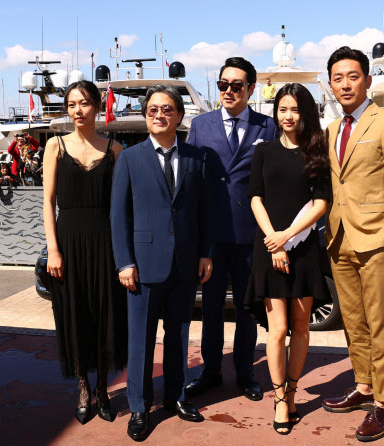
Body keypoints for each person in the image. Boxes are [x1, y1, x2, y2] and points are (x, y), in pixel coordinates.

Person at [321, 47, 384, 442]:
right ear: (330, 83)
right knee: (353, 322)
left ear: (367, 80)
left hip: (376, 242)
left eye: (353, 76)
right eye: (338, 78)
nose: (345, 84)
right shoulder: (331, 129)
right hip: (338, 239)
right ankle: (363, 386)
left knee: (380, 324)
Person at [110, 84, 214, 442]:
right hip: (142, 265)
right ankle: (139, 406)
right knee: (140, 340)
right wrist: (124, 262)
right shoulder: (129, 157)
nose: (159, 115)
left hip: (185, 265)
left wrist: (205, 252)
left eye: (167, 109)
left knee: (179, 336)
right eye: (153, 109)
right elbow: (118, 216)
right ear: (145, 115)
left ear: (179, 116)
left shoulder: (196, 158)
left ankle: (176, 396)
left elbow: (204, 213)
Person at [186, 57, 277, 401]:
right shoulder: (201, 125)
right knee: (210, 310)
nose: (228, 91)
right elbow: (192, 179)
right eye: (223, 84)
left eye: (236, 85)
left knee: (246, 310)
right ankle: (210, 371)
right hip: (211, 237)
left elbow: (272, 180)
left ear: (250, 89)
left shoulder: (266, 127)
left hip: (249, 236)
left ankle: (245, 372)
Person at [245, 83, 330, 434]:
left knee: (301, 329)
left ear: (305, 112)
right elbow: (254, 198)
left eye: (294, 109)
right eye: (282, 109)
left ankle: (293, 393)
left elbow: (323, 201)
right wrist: (275, 242)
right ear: (276, 113)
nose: (288, 116)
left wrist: (289, 237)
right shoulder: (263, 151)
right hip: (270, 249)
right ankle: (280, 399)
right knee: (277, 330)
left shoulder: (317, 151)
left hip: (306, 248)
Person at [43, 80, 128, 426]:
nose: (78, 110)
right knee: (74, 314)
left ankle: (103, 389)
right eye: (72, 104)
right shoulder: (54, 146)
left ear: (97, 106)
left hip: (106, 242)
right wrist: (53, 249)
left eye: (85, 103)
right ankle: (82, 387)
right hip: (68, 244)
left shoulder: (114, 149)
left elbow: (121, 207)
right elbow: (48, 201)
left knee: (106, 314)